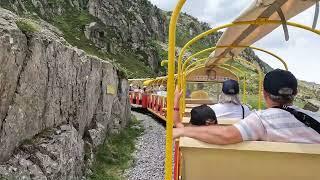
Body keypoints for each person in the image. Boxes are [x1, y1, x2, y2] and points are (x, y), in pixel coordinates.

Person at [173, 69, 320, 144]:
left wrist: (182, 131)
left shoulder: (261, 120)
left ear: (264, 93)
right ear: (295, 93)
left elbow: (227, 136)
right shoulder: (315, 117)